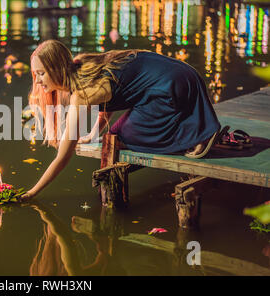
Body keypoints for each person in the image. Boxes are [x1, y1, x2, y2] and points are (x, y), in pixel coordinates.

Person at [21, 40, 222, 201]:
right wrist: (93, 134)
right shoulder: (82, 65)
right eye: (35, 74)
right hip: (183, 75)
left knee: (123, 137)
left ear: (57, 69)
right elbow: (108, 101)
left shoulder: (81, 95)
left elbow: (63, 157)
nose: (37, 81)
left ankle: (193, 138)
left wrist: (33, 192)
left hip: (171, 87)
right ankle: (197, 131)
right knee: (115, 133)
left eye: (41, 73)